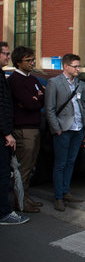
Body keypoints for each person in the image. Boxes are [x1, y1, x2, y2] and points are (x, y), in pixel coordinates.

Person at [45, 54, 85, 212]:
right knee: (60, 164)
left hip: (78, 129)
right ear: (66, 66)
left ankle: (66, 191)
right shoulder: (54, 83)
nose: (78, 69)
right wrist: (56, 129)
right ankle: (58, 197)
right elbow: (50, 109)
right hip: (63, 130)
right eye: (75, 66)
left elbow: (84, 107)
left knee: (71, 162)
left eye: (79, 66)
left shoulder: (80, 84)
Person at [9, 46, 45, 213]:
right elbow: (31, 104)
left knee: (31, 166)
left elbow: (41, 98)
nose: (32, 63)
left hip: (35, 127)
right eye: (28, 60)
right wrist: (36, 98)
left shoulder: (33, 79)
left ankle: (26, 196)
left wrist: (36, 98)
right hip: (23, 129)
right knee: (24, 167)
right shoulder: (15, 80)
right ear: (18, 62)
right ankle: (20, 201)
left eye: (33, 60)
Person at [0, 41, 29, 225]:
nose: (7, 57)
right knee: (3, 174)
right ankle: (4, 213)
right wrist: (6, 133)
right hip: (2, 134)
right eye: (5, 54)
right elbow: (1, 107)